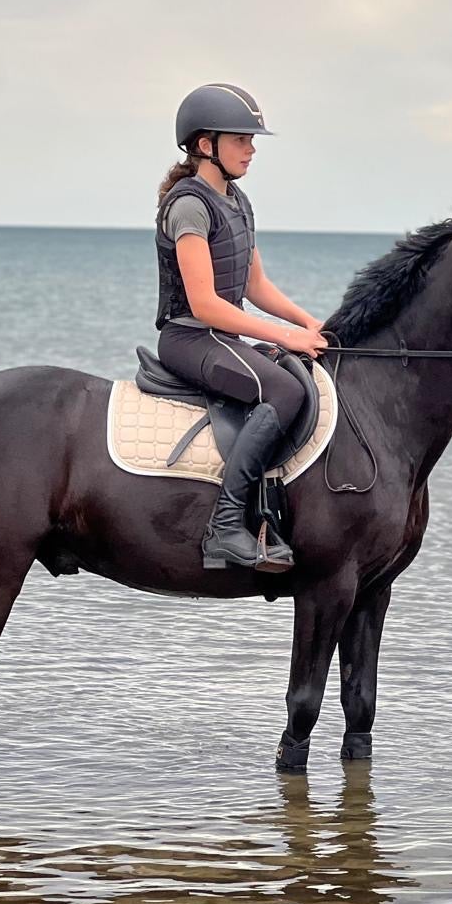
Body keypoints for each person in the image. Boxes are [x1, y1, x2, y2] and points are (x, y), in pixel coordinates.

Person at [154, 83, 327, 572]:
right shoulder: (189, 206)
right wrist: (285, 336)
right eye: (241, 140)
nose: (251, 150)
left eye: (252, 141)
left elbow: (255, 285)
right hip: (190, 337)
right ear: (205, 145)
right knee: (284, 394)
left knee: (300, 376)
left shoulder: (237, 200)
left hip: (219, 336)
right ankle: (225, 528)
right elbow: (205, 304)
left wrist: (308, 321)